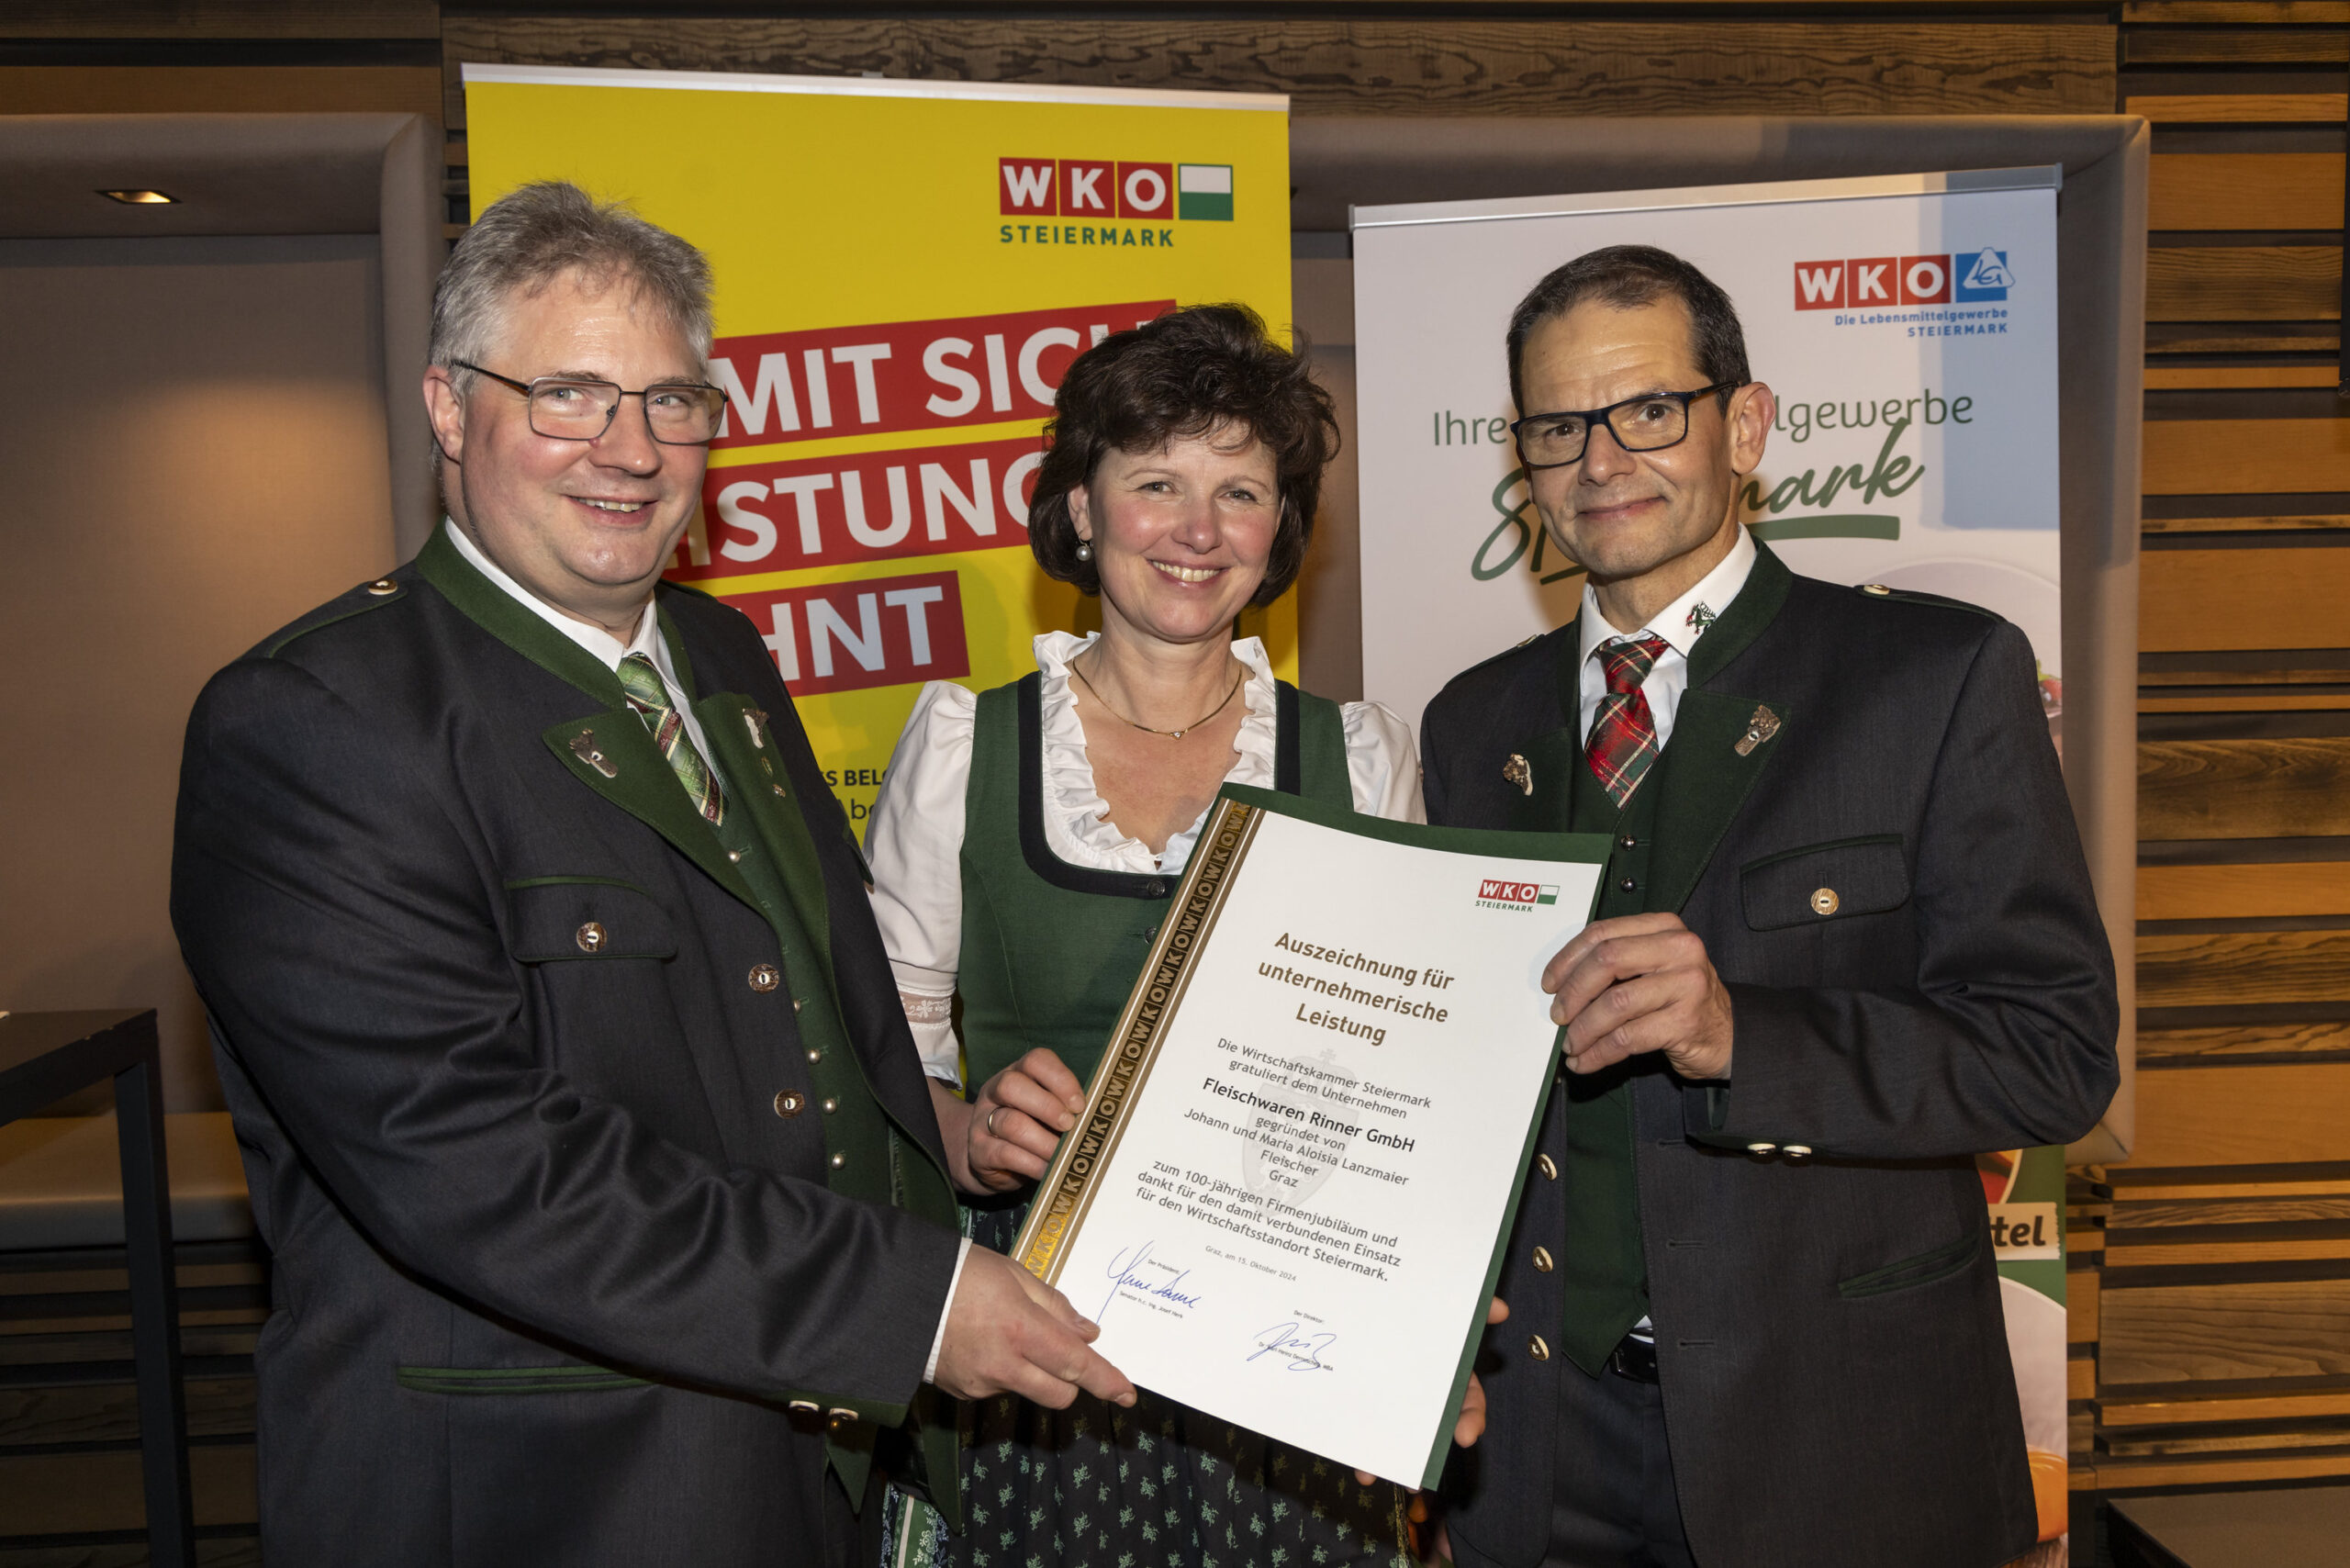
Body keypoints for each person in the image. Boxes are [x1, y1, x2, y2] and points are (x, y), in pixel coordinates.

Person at [169, 181, 1131, 1568]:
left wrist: (953, 1139)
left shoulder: (722, 658)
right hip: (547, 1495)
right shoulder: (317, 722)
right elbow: (478, 1164)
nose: (630, 450)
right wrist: (908, 1307)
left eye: (672, 401)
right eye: (568, 395)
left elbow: (817, 1025)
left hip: (810, 1461)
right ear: (450, 408)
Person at [1419, 246, 2117, 1568]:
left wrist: (1747, 1038)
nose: (1600, 460)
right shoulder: (1471, 721)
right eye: (1558, 426)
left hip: (1844, 1440)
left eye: (1648, 410)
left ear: (1745, 426)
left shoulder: (1936, 675)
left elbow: (2055, 1055)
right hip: (1537, 1449)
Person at [864, 304, 1426, 1567]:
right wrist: (969, 1136)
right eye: (1156, 482)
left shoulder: (1359, 757)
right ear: (1081, 508)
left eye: (1241, 492)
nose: (1197, 530)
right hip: (1033, 1330)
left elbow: (1403, 1079)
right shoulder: (964, 747)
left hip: (1290, 1338)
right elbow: (887, 1051)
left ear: (1279, 531)